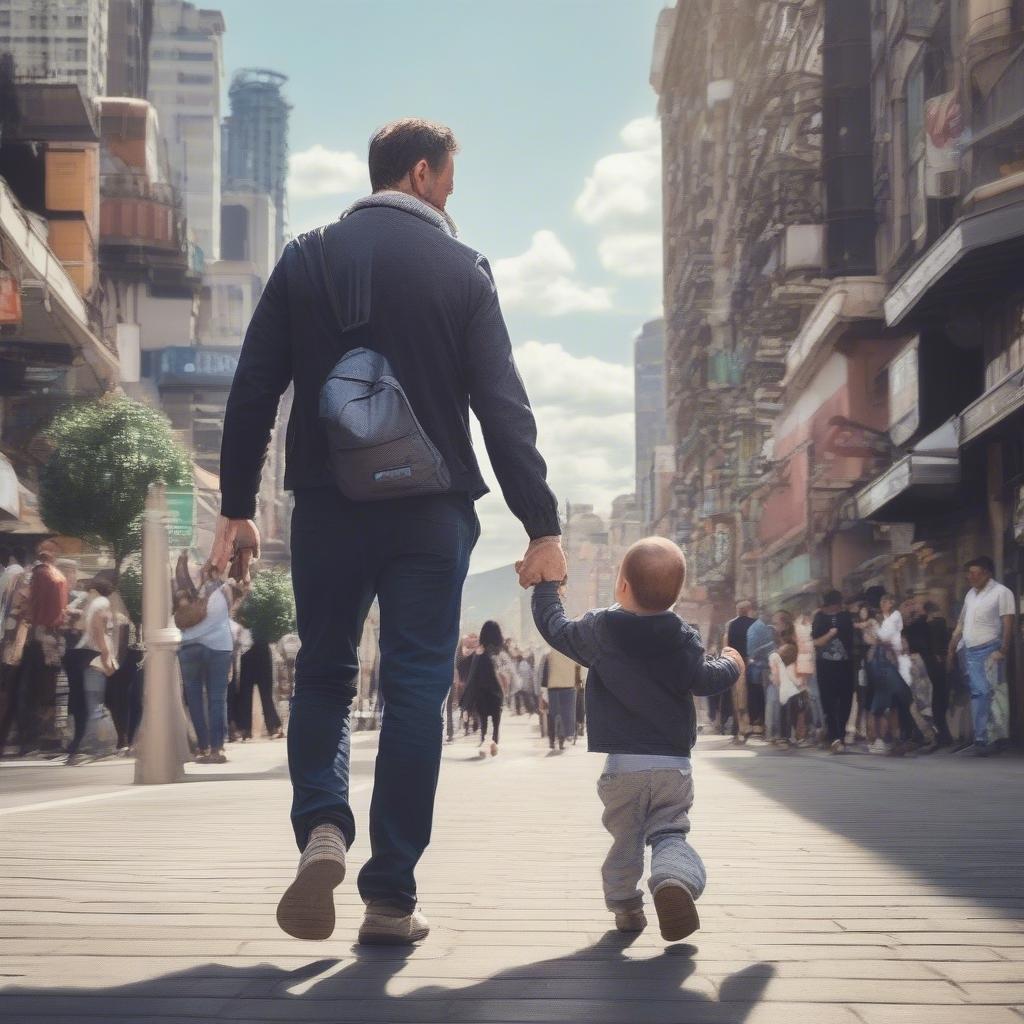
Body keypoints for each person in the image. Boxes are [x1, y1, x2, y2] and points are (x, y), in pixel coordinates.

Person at [213, 119, 565, 947]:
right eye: (448, 178)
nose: (452, 194)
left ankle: (323, 829)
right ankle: (390, 895)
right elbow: (503, 409)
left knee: (329, 674)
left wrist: (235, 507)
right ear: (419, 173)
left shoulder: (305, 257)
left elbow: (254, 386)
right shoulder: (463, 270)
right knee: (412, 687)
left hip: (330, 506)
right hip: (430, 515)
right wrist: (540, 524)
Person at [531, 537, 743, 942]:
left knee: (625, 840)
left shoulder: (599, 630)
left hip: (622, 769)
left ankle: (626, 907)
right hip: (671, 766)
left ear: (622, 586)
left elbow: (554, 628)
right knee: (669, 831)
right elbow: (705, 680)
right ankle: (672, 879)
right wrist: (731, 663)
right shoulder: (682, 637)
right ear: (677, 593)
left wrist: (547, 587)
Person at [945, 556, 1016, 756]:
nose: (971, 577)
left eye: (975, 573)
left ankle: (992, 738)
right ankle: (984, 738)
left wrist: (1003, 650)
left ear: (987, 573)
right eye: (969, 573)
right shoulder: (970, 595)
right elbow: (961, 623)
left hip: (991, 648)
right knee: (980, 693)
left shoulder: (1002, 593)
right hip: (970, 650)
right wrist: (951, 648)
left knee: (992, 693)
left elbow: (1008, 623)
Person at [177, 565, 236, 765]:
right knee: (217, 699)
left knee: (194, 698)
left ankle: (203, 746)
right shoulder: (221, 590)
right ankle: (215, 748)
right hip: (218, 648)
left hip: (189, 647)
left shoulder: (182, 591)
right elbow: (222, 619)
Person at [811, 589, 856, 753]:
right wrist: (830, 634)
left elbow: (851, 639)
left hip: (845, 664)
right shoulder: (819, 618)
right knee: (828, 701)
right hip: (825, 665)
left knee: (845, 700)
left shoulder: (846, 617)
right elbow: (815, 641)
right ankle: (834, 736)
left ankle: (841, 734)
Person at [459, 620, 512, 757]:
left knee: (483, 720)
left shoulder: (480, 652)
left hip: (481, 692)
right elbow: (508, 672)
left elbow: (472, 674)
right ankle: (494, 741)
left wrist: (467, 697)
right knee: (496, 719)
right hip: (496, 691)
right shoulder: (500, 652)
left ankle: (484, 740)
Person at [721, 600, 756, 739]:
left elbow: (727, 645)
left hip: (736, 662)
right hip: (752, 663)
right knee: (750, 695)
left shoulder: (730, 624)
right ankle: (749, 725)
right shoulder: (755, 624)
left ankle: (738, 727)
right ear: (748, 609)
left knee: (738, 695)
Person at [923, 601, 953, 746]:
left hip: (931, 665)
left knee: (935, 700)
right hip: (940, 664)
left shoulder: (927, 626)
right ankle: (944, 734)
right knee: (941, 699)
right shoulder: (940, 623)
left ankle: (941, 734)